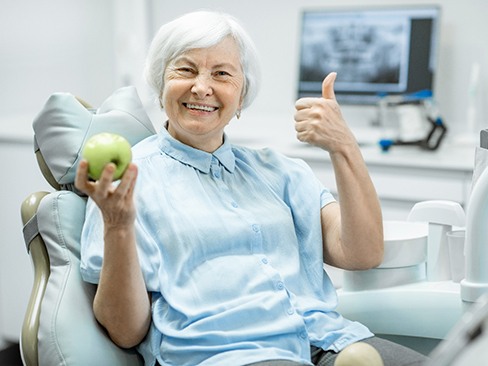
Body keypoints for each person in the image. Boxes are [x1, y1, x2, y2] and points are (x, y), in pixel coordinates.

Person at [76, 10, 427, 366]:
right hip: (229, 354)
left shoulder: (280, 172)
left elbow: (363, 253)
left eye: (222, 74)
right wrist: (118, 225)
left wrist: (344, 147)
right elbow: (125, 331)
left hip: (329, 339)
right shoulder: (126, 184)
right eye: (185, 69)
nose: (201, 87)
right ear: (160, 82)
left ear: (241, 95)